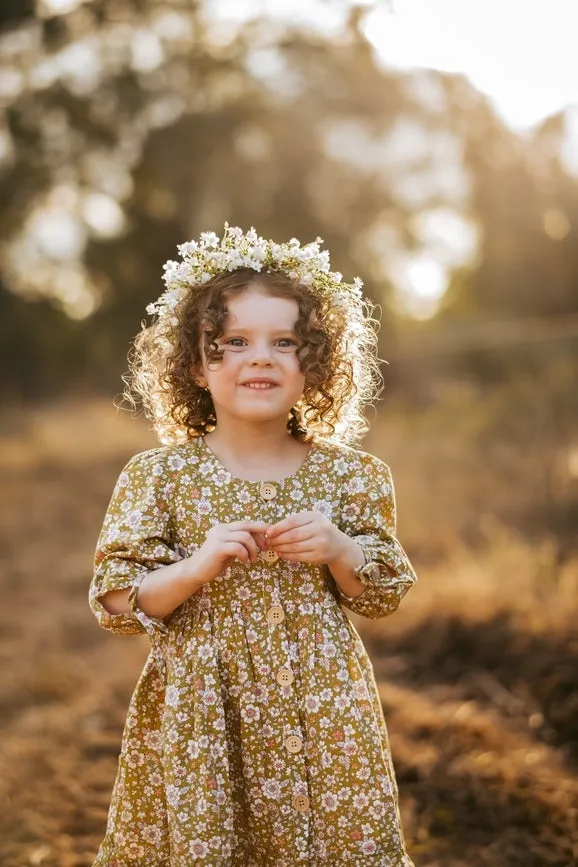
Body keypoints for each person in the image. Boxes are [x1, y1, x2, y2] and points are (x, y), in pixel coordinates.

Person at [89, 225, 418, 866]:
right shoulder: (159, 475)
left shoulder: (354, 475)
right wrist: (196, 565)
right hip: (203, 708)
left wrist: (340, 549)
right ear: (194, 363)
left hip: (322, 706)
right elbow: (119, 603)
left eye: (284, 342)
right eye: (234, 342)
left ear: (315, 363)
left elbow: (382, 593)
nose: (259, 358)